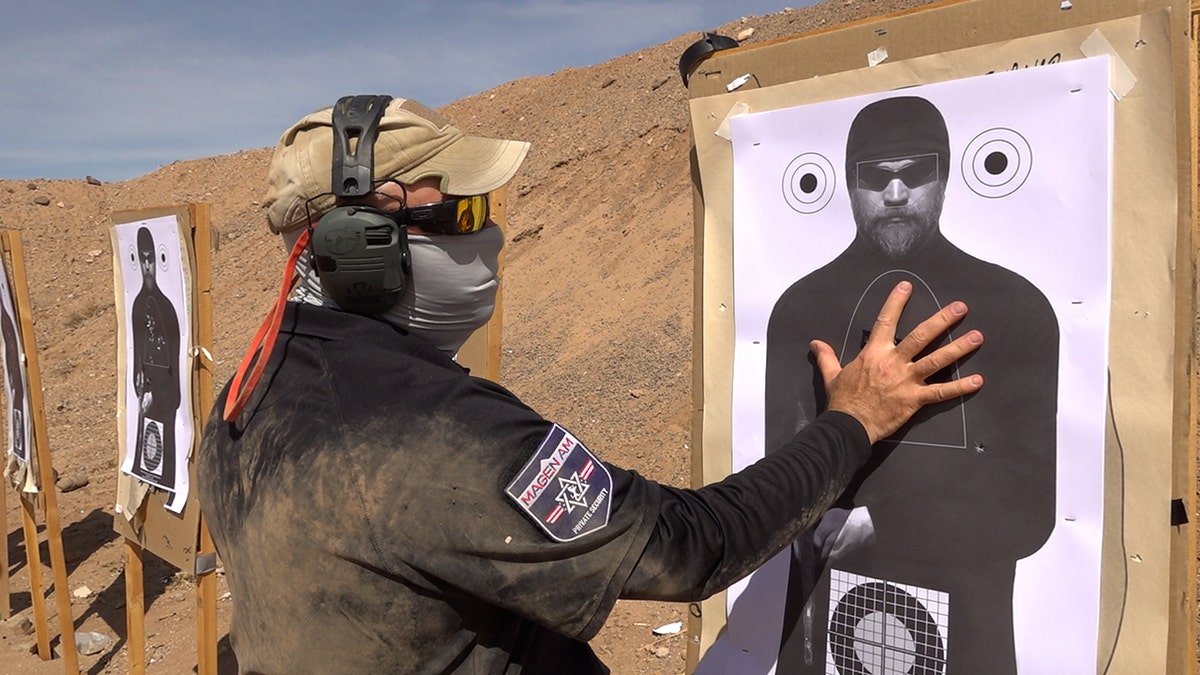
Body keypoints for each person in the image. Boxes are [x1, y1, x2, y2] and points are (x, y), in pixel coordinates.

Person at [197, 95, 987, 674]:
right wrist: (851, 420)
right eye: (462, 208)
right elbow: (689, 547)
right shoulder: (434, 431)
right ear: (363, 245)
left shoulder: (246, 394)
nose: (487, 231)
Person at [766, 96, 1059, 674]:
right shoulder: (798, 310)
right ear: (850, 185)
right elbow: (776, 474)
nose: (895, 195)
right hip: (822, 630)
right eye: (876, 177)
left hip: (964, 631)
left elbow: (1031, 509)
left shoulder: (1016, 308)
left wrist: (884, 517)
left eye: (914, 173)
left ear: (945, 178)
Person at [129, 226, 181, 488]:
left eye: (151, 258)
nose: (148, 265)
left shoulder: (166, 305)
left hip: (167, 389)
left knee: (167, 445)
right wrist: (140, 387)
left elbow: (175, 353)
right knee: (149, 449)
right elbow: (136, 350)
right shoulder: (138, 303)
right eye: (144, 258)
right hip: (148, 388)